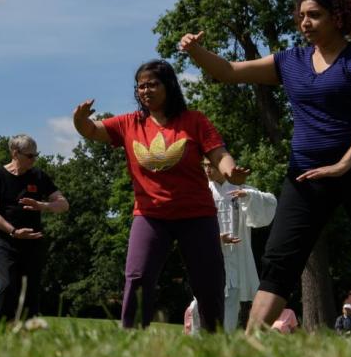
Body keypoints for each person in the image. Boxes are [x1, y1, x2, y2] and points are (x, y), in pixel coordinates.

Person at [179, 0, 351, 332]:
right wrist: (197, 52)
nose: (304, 23)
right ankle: (251, 342)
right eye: (301, 16)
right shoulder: (290, 61)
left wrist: (344, 164)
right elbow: (228, 72)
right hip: (306, 175)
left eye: (314, 15)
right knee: (280, 257)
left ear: (338, 17)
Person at [73, 59, 249, 330]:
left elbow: (219, 153)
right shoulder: (129, 123)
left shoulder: (194, 120)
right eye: (140, 86)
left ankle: (214, 341)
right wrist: (79, 120)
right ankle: (131, 338)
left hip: (196, 215)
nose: (145, 90)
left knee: (209, 281)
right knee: (138, 276)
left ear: (169, 86)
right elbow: (92, 131)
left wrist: (230, 171)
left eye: (152, 84)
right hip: (150, 215)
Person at [0, 134, 69, 321]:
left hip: (33, 245)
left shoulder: (39, 176)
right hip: (6, 243)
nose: (34, 159)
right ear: (15, 153)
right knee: (6, 286)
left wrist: (42, 205)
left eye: (35, 155)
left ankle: (27, 335)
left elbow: (63, 204)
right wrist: (13, 231)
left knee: (30, 293)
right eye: (30, 155)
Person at [188, 162, 278, 332]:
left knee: (231, 302)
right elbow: (191, 225)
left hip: (235, 258)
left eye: (211, 165)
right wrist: (216, 238)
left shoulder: (239, 188)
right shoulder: (201, 191)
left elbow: (271, 202)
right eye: (204, 165)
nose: (207, 169)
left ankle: (224, 345)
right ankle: (197, 343)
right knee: (200, 302)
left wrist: (249, 196)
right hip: (209, 255)